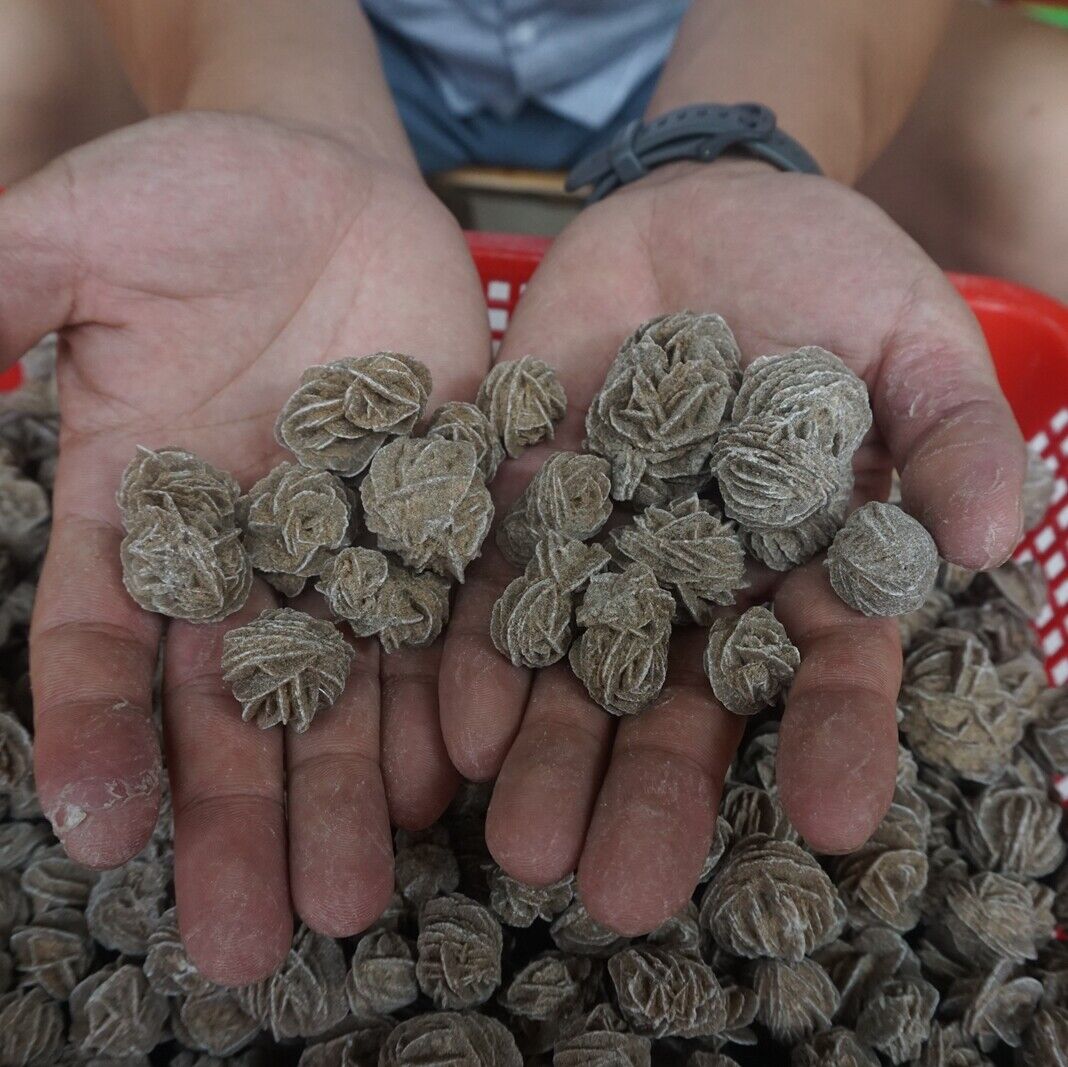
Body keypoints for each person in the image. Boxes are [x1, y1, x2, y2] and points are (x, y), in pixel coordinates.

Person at [0, 0, 1061, 986]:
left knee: (1041, 142)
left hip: (756, 42)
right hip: (285, 34)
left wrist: (732, 152)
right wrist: (277, 96)